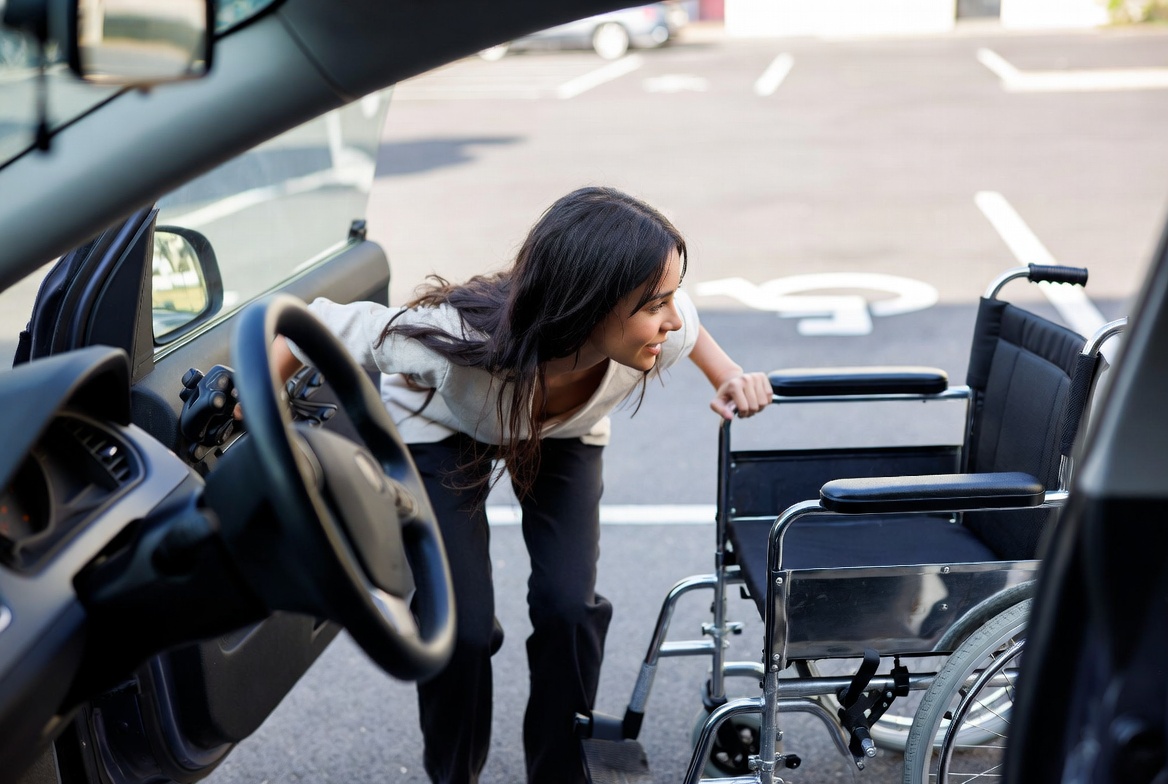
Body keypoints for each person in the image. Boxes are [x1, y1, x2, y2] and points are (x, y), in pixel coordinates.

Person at [271, 186, 771, 784]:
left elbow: (690, 326)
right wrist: (264, 404)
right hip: (442, 423)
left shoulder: (653, 334)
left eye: (671, 296)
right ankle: (453, 775)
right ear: (589, 304)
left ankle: (559, 772)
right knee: (460, 629)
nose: (671, 315)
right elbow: (310, 326)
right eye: (654, 302)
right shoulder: (450, 342)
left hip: (566, 432)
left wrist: (730, 377)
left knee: (567, 607)